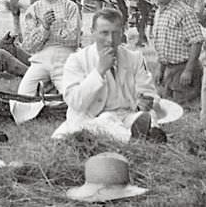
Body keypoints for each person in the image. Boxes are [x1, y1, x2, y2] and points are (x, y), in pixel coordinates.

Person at [52, 7, 165, 143]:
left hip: (126, 115)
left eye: (115, 33)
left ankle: (143, 132)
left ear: (123, 32)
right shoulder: (77, 60)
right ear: (92, 32)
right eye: (104, 33)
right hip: (92, 118)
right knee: (102, 122)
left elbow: (150, 94)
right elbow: (75, 103)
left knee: (147, 116)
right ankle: (134, 139)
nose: (110, 39)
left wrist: (144, 102)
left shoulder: (135, 58)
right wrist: (99, 71)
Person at [10, 0, 81, 124]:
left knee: (73, 95)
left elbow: (73, 38)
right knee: (23, 96)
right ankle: (46, 105)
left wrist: (43, 34)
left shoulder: (71, 7)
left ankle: (59, 105)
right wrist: (45, 27)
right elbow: (28, 45)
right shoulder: (33, 10)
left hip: (65, 59)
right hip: (41, 61)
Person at [142, 0, 203, 105]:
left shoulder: (184, 12)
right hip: (168, 69)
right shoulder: (158, 12)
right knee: (163, 102)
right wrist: (160, 68)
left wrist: (188, 70)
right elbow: (163, 46)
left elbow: (197, 42)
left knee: (183, 105)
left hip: (184, 68)